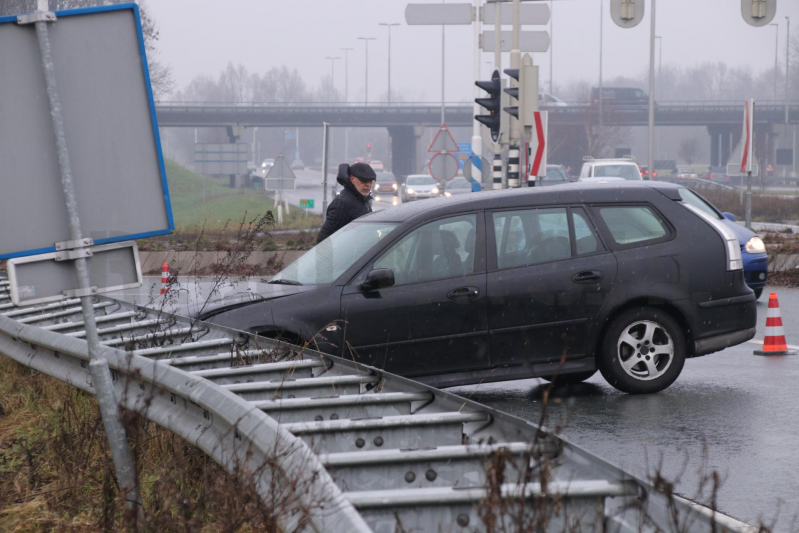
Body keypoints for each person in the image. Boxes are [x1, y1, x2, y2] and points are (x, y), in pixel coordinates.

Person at [316, 162, 376, 243]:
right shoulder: (342, 203)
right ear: (352, 179)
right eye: (364, 181)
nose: (368, 185)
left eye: (370, 181)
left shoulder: (363, 199)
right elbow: (324, 238)